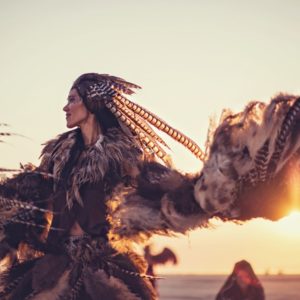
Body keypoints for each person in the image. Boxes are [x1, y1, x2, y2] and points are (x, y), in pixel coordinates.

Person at [0, 73, 204, 300]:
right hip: (56, 260)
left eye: (72, 100)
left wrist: (200, 191)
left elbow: (151, 180)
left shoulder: (120, 153)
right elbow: (31, 188)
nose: (65, 108)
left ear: (92, 103)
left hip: (102, 263)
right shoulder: (59, 152)